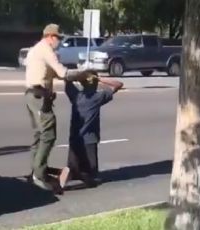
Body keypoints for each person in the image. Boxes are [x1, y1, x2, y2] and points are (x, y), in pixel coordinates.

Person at [24, 23, 94, 192]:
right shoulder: (46, 50)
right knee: (48, 134)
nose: (60, 42)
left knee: (39, 135)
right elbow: (63, 73)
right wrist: (84, 73)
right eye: (58, 38)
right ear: (50, 36)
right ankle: (39, 175)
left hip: (32, 95)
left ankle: (36, 170)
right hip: (39, 96)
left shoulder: (37, 49)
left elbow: (54, 73)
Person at [63, 74, 123, 188]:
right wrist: (100, 78)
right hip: (89, 139)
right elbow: (118, 84)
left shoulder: (76, 96)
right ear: (95, 85)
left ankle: (67, 180)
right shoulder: (97, 97)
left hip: (74, 138)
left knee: (72, 167)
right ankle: (88, 180)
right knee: (91, 170)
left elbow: (67, 81)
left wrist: (78, 77)